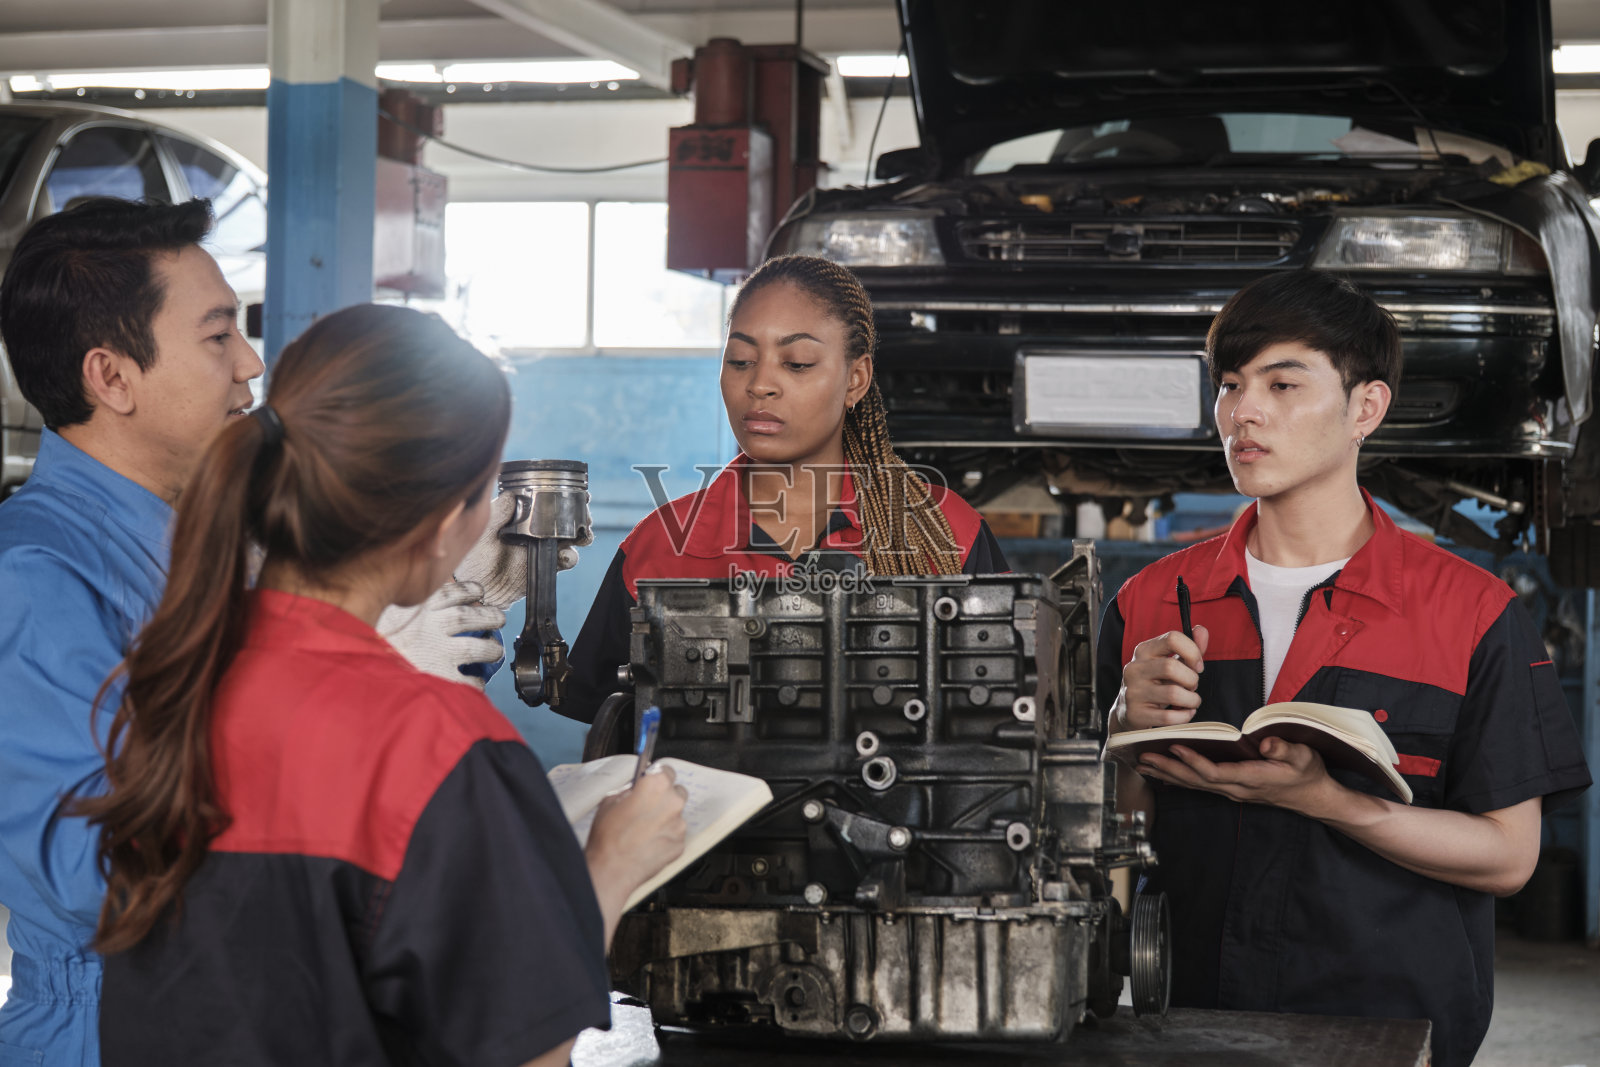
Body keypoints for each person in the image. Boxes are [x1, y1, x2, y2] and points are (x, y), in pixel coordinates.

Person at [75, 304, 688, 1066]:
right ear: (444, 522)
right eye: (482, 491)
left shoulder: (168, 688)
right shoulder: (441, 748)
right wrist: (613, 864)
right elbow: (527, 1051)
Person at [0, 198, 505, 1066]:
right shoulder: (33, 580)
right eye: (218, 335)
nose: (251, 362)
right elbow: (111, 878)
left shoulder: (207, 538)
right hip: (108, 1030)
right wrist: (357, 690)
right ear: (111, 377)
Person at [1096, 270, 1591, 1067]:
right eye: (1230, 385)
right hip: (1186, 1028)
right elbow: (1107, 834)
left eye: (1282, 382)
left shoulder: (1472, 613)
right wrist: (1124, 723)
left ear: (1367, 407)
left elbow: (1508, 856)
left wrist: (1332, 802)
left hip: (1391, 1034)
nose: (1243, 412)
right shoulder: (1154, 599)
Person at [562, 254, 1008, 724]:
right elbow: (611, 739)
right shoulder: (659, 547)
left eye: (796, 363)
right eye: (740, 360)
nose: (759, 385)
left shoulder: (945, 533)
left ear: (856, 379)